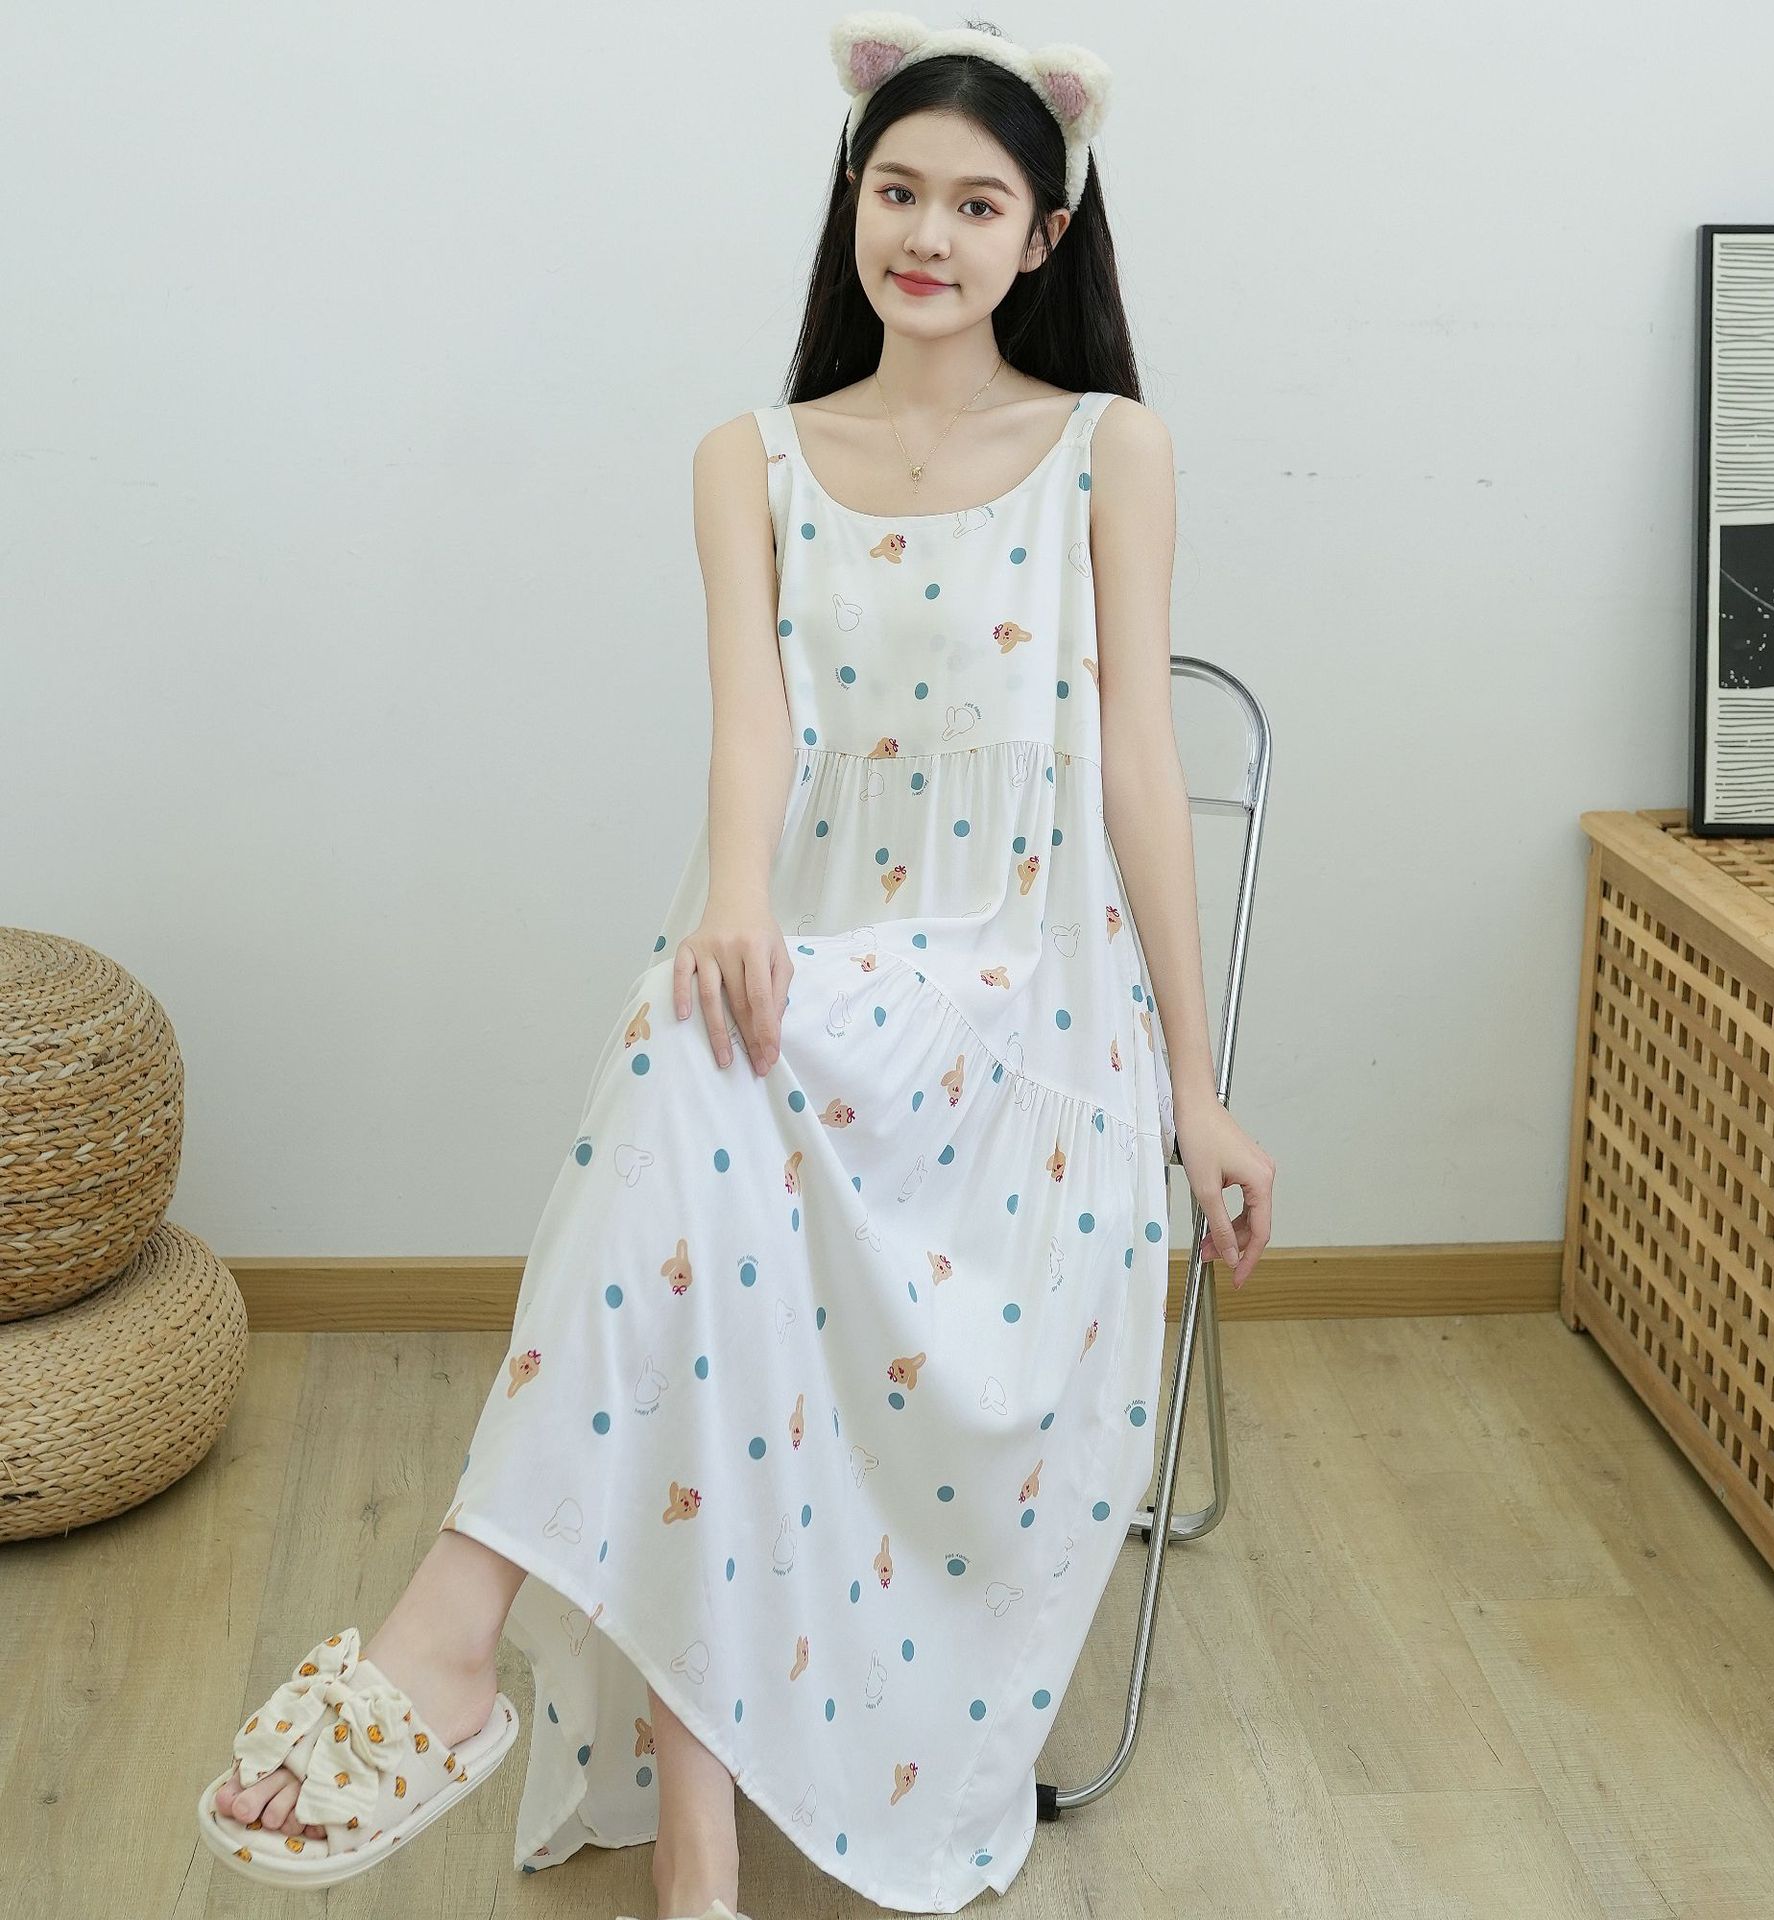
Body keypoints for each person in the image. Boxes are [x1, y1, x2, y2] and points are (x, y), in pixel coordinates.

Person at [197, 10, 1274, 1917]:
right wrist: (732, 902)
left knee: (690, 1100)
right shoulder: (748, 458)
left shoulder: (1110, 451)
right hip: (819, 967)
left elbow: (1136, 767)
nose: (926, 234)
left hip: (1022, 1002)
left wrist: (1197, 1088)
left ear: (1045, 236)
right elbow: (754, 731)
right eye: (897, 190)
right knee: (703, 1073)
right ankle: (689, 1847)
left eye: (977, 204)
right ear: (849, 200)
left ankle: (452, 1629)